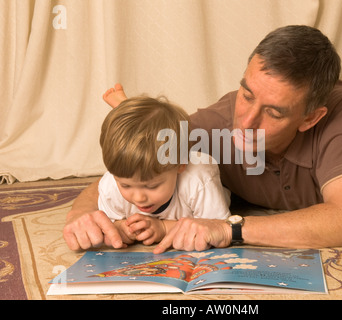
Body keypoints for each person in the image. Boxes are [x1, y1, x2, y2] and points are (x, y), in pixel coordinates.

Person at [63, 25, 342, 253]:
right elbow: (130, 170)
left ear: (310, 117)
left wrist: (228, 229)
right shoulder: (210, 127)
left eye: (275, 112)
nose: (245, 123)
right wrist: (80, 216)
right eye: (247, 95)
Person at [63, 94, 231, 250]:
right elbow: (107, 221)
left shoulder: (199, 180)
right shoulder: (111, 185)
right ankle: (125, 108)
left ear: (180, 165)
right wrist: (120, 228)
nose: (139, 198)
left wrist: (163, 228)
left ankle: (124, 105)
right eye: (126, 185)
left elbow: (216, 227)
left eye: (151, 186)